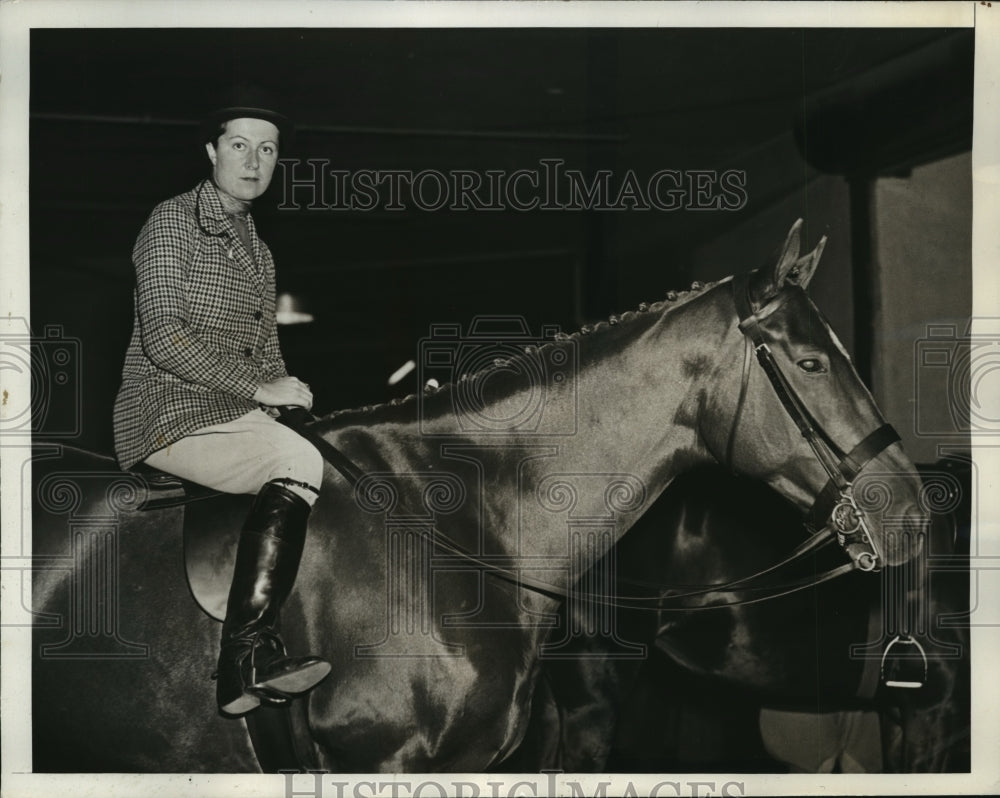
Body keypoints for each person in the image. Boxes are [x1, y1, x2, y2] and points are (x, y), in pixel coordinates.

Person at [113, 86, 331, 717]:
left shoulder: (259, 250)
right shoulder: (172, 220)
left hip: (229, 410)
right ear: (211, 151)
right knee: (298, 466)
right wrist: (258, 390)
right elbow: (163, 335)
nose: (254, 159)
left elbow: (265, 353)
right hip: (167, 409)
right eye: (240, 144)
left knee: (320, 450)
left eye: (268, 149)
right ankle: (245, 657)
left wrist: (288, 396)